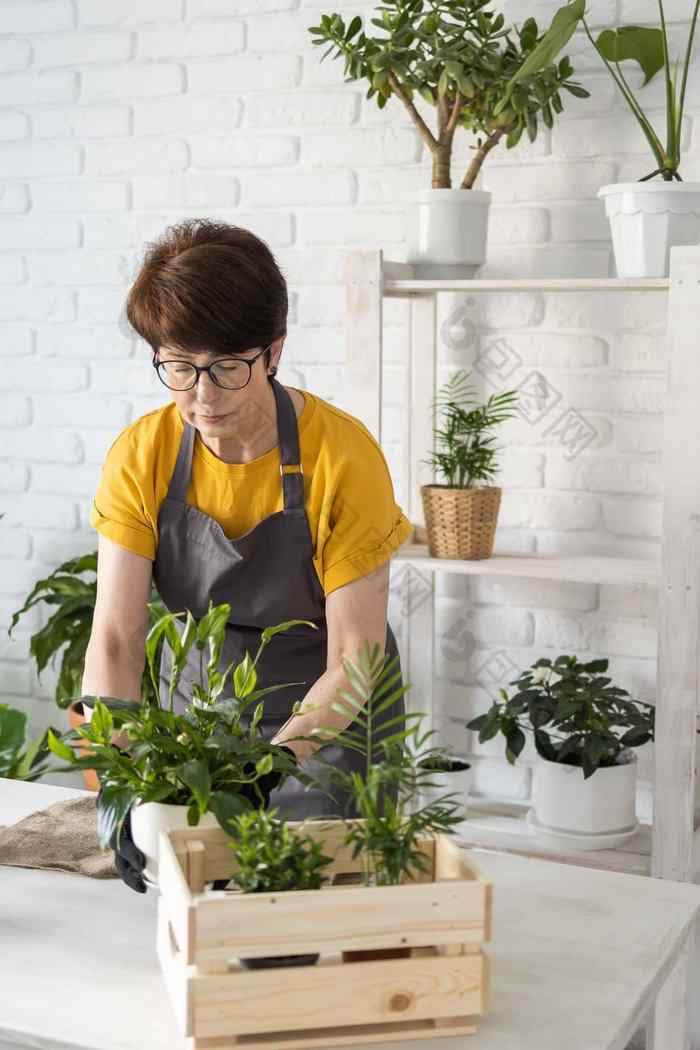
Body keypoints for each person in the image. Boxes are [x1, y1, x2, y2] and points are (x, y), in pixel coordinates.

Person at [79, 218, 413, 892]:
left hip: (327, 716)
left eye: (227, 367)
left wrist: (269, 770)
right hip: (201, 715)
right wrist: (115, 783)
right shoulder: (141, 454)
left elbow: (354, 659)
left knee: (310, 897)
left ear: (274, 352)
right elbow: (116, 638)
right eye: (178, 366)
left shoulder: (342, 457)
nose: (201, 395)